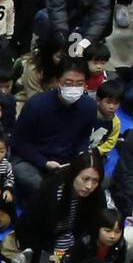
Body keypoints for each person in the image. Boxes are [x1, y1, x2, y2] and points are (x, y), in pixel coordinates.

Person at [10, 56, 96, 199]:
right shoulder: (36, 105)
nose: (73, 88)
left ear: (85, 85)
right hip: (34, 160)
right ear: (58, 82)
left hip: (67, 162)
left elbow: (84, 136)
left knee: (97, 181)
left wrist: (81, 156)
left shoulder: (90, 107)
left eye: (79, 83)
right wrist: (44, 162)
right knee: (30, 178)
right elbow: (19, 142)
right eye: (68, 83)